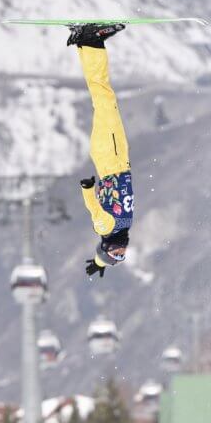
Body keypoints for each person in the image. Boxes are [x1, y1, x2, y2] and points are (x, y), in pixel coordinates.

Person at [69, 23, 133, 279]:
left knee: (105, 98)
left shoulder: (107, 227)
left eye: (115, 252)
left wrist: (86, 188)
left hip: (113, 160)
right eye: (122, 254)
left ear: (106, 245)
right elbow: (105, 245)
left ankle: (93, 41)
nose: (121, 249)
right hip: (106, 160)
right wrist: (101, 262)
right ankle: (85, 44)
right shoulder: (119, 228)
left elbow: (93, 207)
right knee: (100, 99)